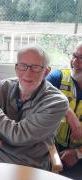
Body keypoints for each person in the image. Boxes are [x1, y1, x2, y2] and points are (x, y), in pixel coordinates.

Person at [0, 45, 69, 170]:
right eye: (23, 66)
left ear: (46, 72)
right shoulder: (3, 86)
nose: (28, 74)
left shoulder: (57, 102)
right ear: (16, 68)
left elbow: (17, 136)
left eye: (35, 67)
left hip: (27, 165)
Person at [46, 43, 82, 179]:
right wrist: (67, 110)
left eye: (81, 58)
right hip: (50, 149)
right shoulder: (58, 77)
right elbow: (38, 93)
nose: (74, 62)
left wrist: (77, 153)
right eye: (74, 56)